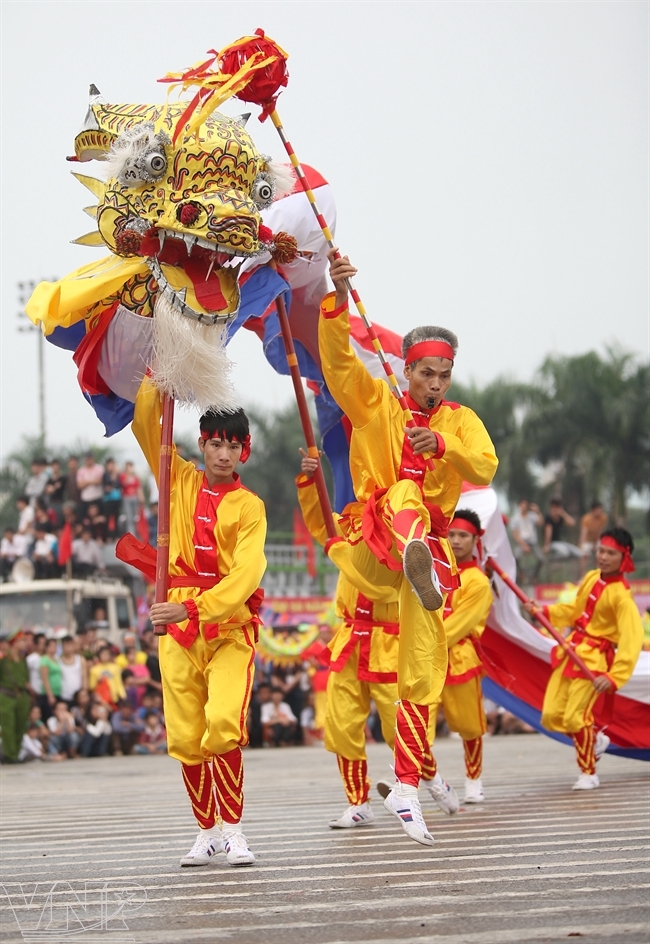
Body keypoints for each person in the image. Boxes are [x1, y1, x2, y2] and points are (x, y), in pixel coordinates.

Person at [320, 251, 497, 845]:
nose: (436, 385)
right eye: (427, 375)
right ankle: (411, 543)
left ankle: (405, 789)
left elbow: (488, 464)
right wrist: (338, 297)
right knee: (401, 488)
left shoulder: (459, 419)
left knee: (421, 676)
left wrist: (442, 445)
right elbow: (338, 361)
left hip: (429, 558)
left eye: (444, 377)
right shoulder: (377, 404)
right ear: (408, 369)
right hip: (376, 542)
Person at [123, 375, 266, 868]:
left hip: (226, 625)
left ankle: (234, 831)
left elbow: (247, 574)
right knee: (185, 737)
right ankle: (205, 831)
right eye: (214, 443)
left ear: (243, 451)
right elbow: (145, 423)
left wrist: (194, 607)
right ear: (201, 443)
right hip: (178, 627)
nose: (222, 454)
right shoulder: (176, 477)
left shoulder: (251, 507)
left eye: (232, 445)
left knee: (223, 723)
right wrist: (155, 373)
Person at [299, 453, 459, 827]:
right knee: (341, 724)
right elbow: (321, 522)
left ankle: (432, 777)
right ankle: (358, 802)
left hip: (389, 645)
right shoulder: (353, 528)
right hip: (351, 642)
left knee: (397, 729)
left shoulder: (408, 540)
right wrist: (311, 483)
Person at [525, 528, 643, 790]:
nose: (603, 557)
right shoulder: (591, 577)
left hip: (594, 663)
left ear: (624, 557)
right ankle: (593, 740)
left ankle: (588, 772)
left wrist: (614, 677)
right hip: (572, 653)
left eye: (610, 553)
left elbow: (631, 640)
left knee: (575, 719)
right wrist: (542, 610)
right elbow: (573, 610)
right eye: (601, 551)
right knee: (551, 717)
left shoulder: (622, 598)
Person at [427, 510, 493, 803]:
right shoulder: (433, 568)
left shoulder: (478, 581)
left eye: (462, 535)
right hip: (427, 657)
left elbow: (463, 622)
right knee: (419, 722)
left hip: (460, 656)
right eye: (451, 534)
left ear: (475, 539)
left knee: (469, 725)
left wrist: (428, 642)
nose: (455, 541)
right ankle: (432, 780)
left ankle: (473, 780)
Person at [0, 631, 31, 763]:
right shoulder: (3, 660)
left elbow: (26, 678)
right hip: (7, 696)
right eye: (22, 641)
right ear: (14, 643)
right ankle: (10, 755)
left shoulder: (23, 660)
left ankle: (16, 753)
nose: (25, 643)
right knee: (8, 727)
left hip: (22, 696)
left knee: (21, 725)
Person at [509, 500, 544, 582]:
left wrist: (538, 512)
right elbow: (515, 535)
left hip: (532, 542)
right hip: (521, 542)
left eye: (526, 504)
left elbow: (541, 523)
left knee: (541, 558)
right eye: (522, 504)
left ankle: (534, 576)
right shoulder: (515, 519)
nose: (524, 506)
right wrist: (523, 545)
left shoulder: (532, 516)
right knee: (516, 557)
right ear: (519, 506)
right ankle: (521, 573)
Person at [579, 502, 608, 573]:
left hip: (597, 539)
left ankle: (599, 572)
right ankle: (583, 574)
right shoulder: (586, 519)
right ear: (593, 510)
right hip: (587, 540)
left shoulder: (603, 518)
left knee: (600, 554)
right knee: (584, 555)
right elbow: (584, 533)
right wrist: (581, 544)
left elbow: (600, 531)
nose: (600, 512)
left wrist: (597, 543)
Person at [59, 635, 87, 704]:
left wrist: (84, 692)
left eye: (69, 645)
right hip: (63, 695)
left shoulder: (80, 659)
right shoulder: (58, 661)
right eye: (65, 645)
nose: (68, 648)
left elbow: (84, 677)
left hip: (78, 696)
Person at [40, 637, 63, 720]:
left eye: (55, 646)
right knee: (49, 716)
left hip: (57, 692)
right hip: (49, 694)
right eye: (52, 646)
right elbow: (45, 679)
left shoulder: (56, 659)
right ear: (46, 647)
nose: (54, 648)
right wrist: (50, 695)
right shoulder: (44, 660)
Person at [119, 461, 143, 536]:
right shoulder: (123, 476)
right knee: (129, 517)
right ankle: (131, 534)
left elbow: (138, 487)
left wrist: (141, 497)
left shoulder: (135, 477)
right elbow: (124, 484)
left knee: (135, 517)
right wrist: (128, 475)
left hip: (134, 497)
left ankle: (137, 532)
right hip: (127, 497)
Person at [102, 458, 123, 540]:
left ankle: (117, 535)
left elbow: (118, 485)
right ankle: (109, 536)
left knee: (116, 517)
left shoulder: (118, 475)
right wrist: (112, 479)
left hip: (117, 499)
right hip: (108, 499)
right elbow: (106, 486)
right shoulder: (105, 475)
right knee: (108, 517)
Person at [44, 459, 67, 526]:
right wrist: (53, 488)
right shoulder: (49, 480)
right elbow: (47, 490)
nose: (55, 467)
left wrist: (52, 488)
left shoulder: (63, 478)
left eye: (57, 466)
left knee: (59, 520)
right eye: (53, 466)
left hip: (59, 502)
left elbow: (55, 489)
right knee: (51, 521)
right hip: (51, 503)